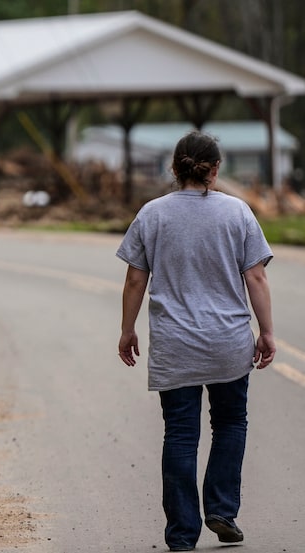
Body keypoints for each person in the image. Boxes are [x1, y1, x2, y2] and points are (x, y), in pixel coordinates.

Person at [116, 130, 275, 552]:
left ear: (174, 167)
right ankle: (222, 508)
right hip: (228, 342)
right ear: (216, 169)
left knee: (180, 435)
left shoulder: (152, 214)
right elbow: (256, 276)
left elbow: (135, 278)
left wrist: (127, 328)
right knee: (229, 424)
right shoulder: (238, 213)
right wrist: (267, 331)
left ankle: (183, 534)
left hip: (175, 345)